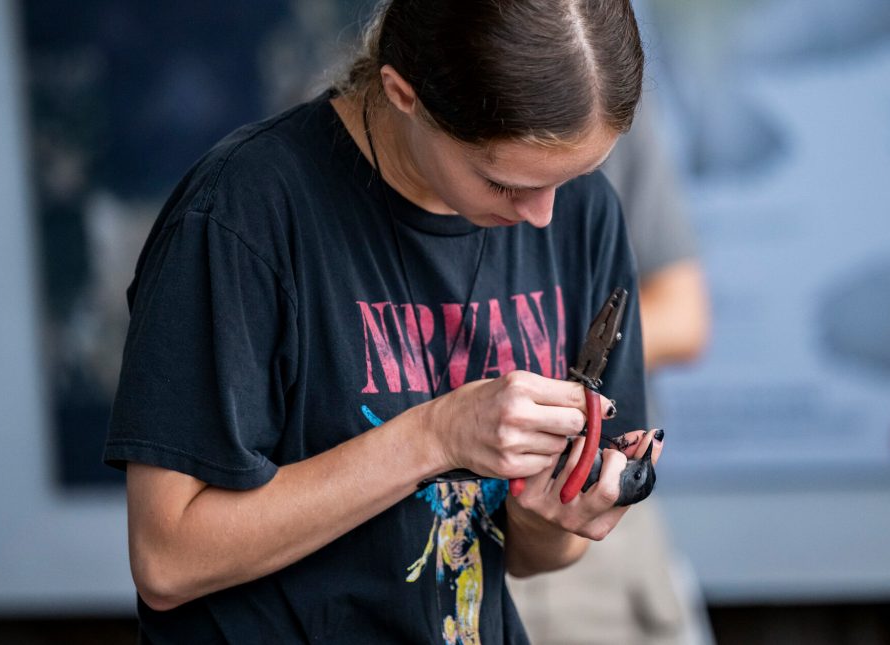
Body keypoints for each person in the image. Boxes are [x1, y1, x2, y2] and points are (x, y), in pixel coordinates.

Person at [103, 1, 664, 642]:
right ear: (403, 93)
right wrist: (433, 437)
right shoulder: (244, 214)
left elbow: (540, 558)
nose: (542, 215)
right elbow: (167, 559)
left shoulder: (582, 212)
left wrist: (550, 509)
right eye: (502, 183)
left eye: (572, 176)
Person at [506, 89, 713, 644]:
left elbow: (684, 315)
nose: (539, 209)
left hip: (599, 534)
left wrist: (537, 380)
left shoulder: (601, 95)